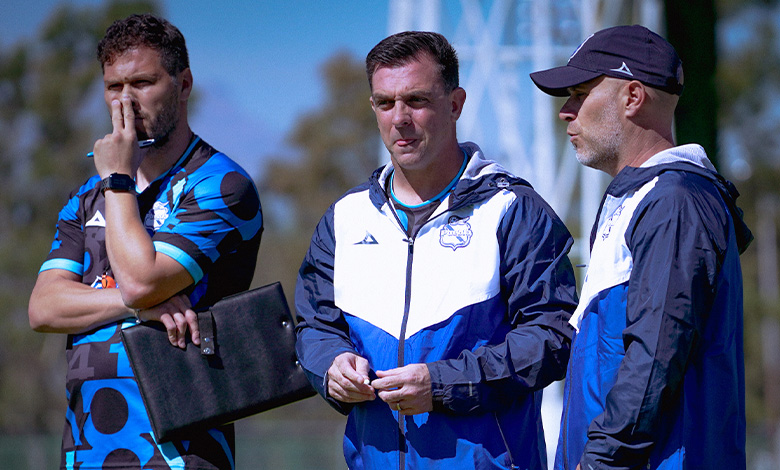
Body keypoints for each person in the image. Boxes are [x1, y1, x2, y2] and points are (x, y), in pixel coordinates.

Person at [295, 30, 578, 470]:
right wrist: (330, 365)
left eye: (416, 100)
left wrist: (442, 384)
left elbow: (553, 336)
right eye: (385, 103)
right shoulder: (344, 218)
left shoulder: (513, 211)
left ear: (455, 104)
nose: (400, 118)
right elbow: (313, 324)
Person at [27, 14, 263, 470]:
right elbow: (44, 307)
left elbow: (140, 280)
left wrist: (117, 177)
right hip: (85, 451)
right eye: (114, 87)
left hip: (180, 452)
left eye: (143, 82)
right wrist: (134, 307)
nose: (125, 102)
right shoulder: (85, 196)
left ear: (184, 83)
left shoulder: (221, 184)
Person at [530, 24, 753, 470]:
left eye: (579, 93)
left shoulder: (674, 200)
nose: (565, 112)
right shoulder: (640, 199)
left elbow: (655, 354)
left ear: (632, 97)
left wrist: (602, 461)